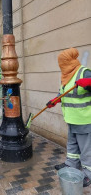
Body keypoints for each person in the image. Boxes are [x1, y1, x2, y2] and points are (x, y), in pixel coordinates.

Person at [46, 48, 91, 188]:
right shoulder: (66, 75)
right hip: (71, 119)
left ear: (68, 61)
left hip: (84, 119)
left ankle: (88, 174)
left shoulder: (84, 72)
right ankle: (70, 164)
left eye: (62, 62)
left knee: (86, 149)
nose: (61, 65)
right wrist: (55, 100)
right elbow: (63, 93)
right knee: (72, 145)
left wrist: (89, 83)